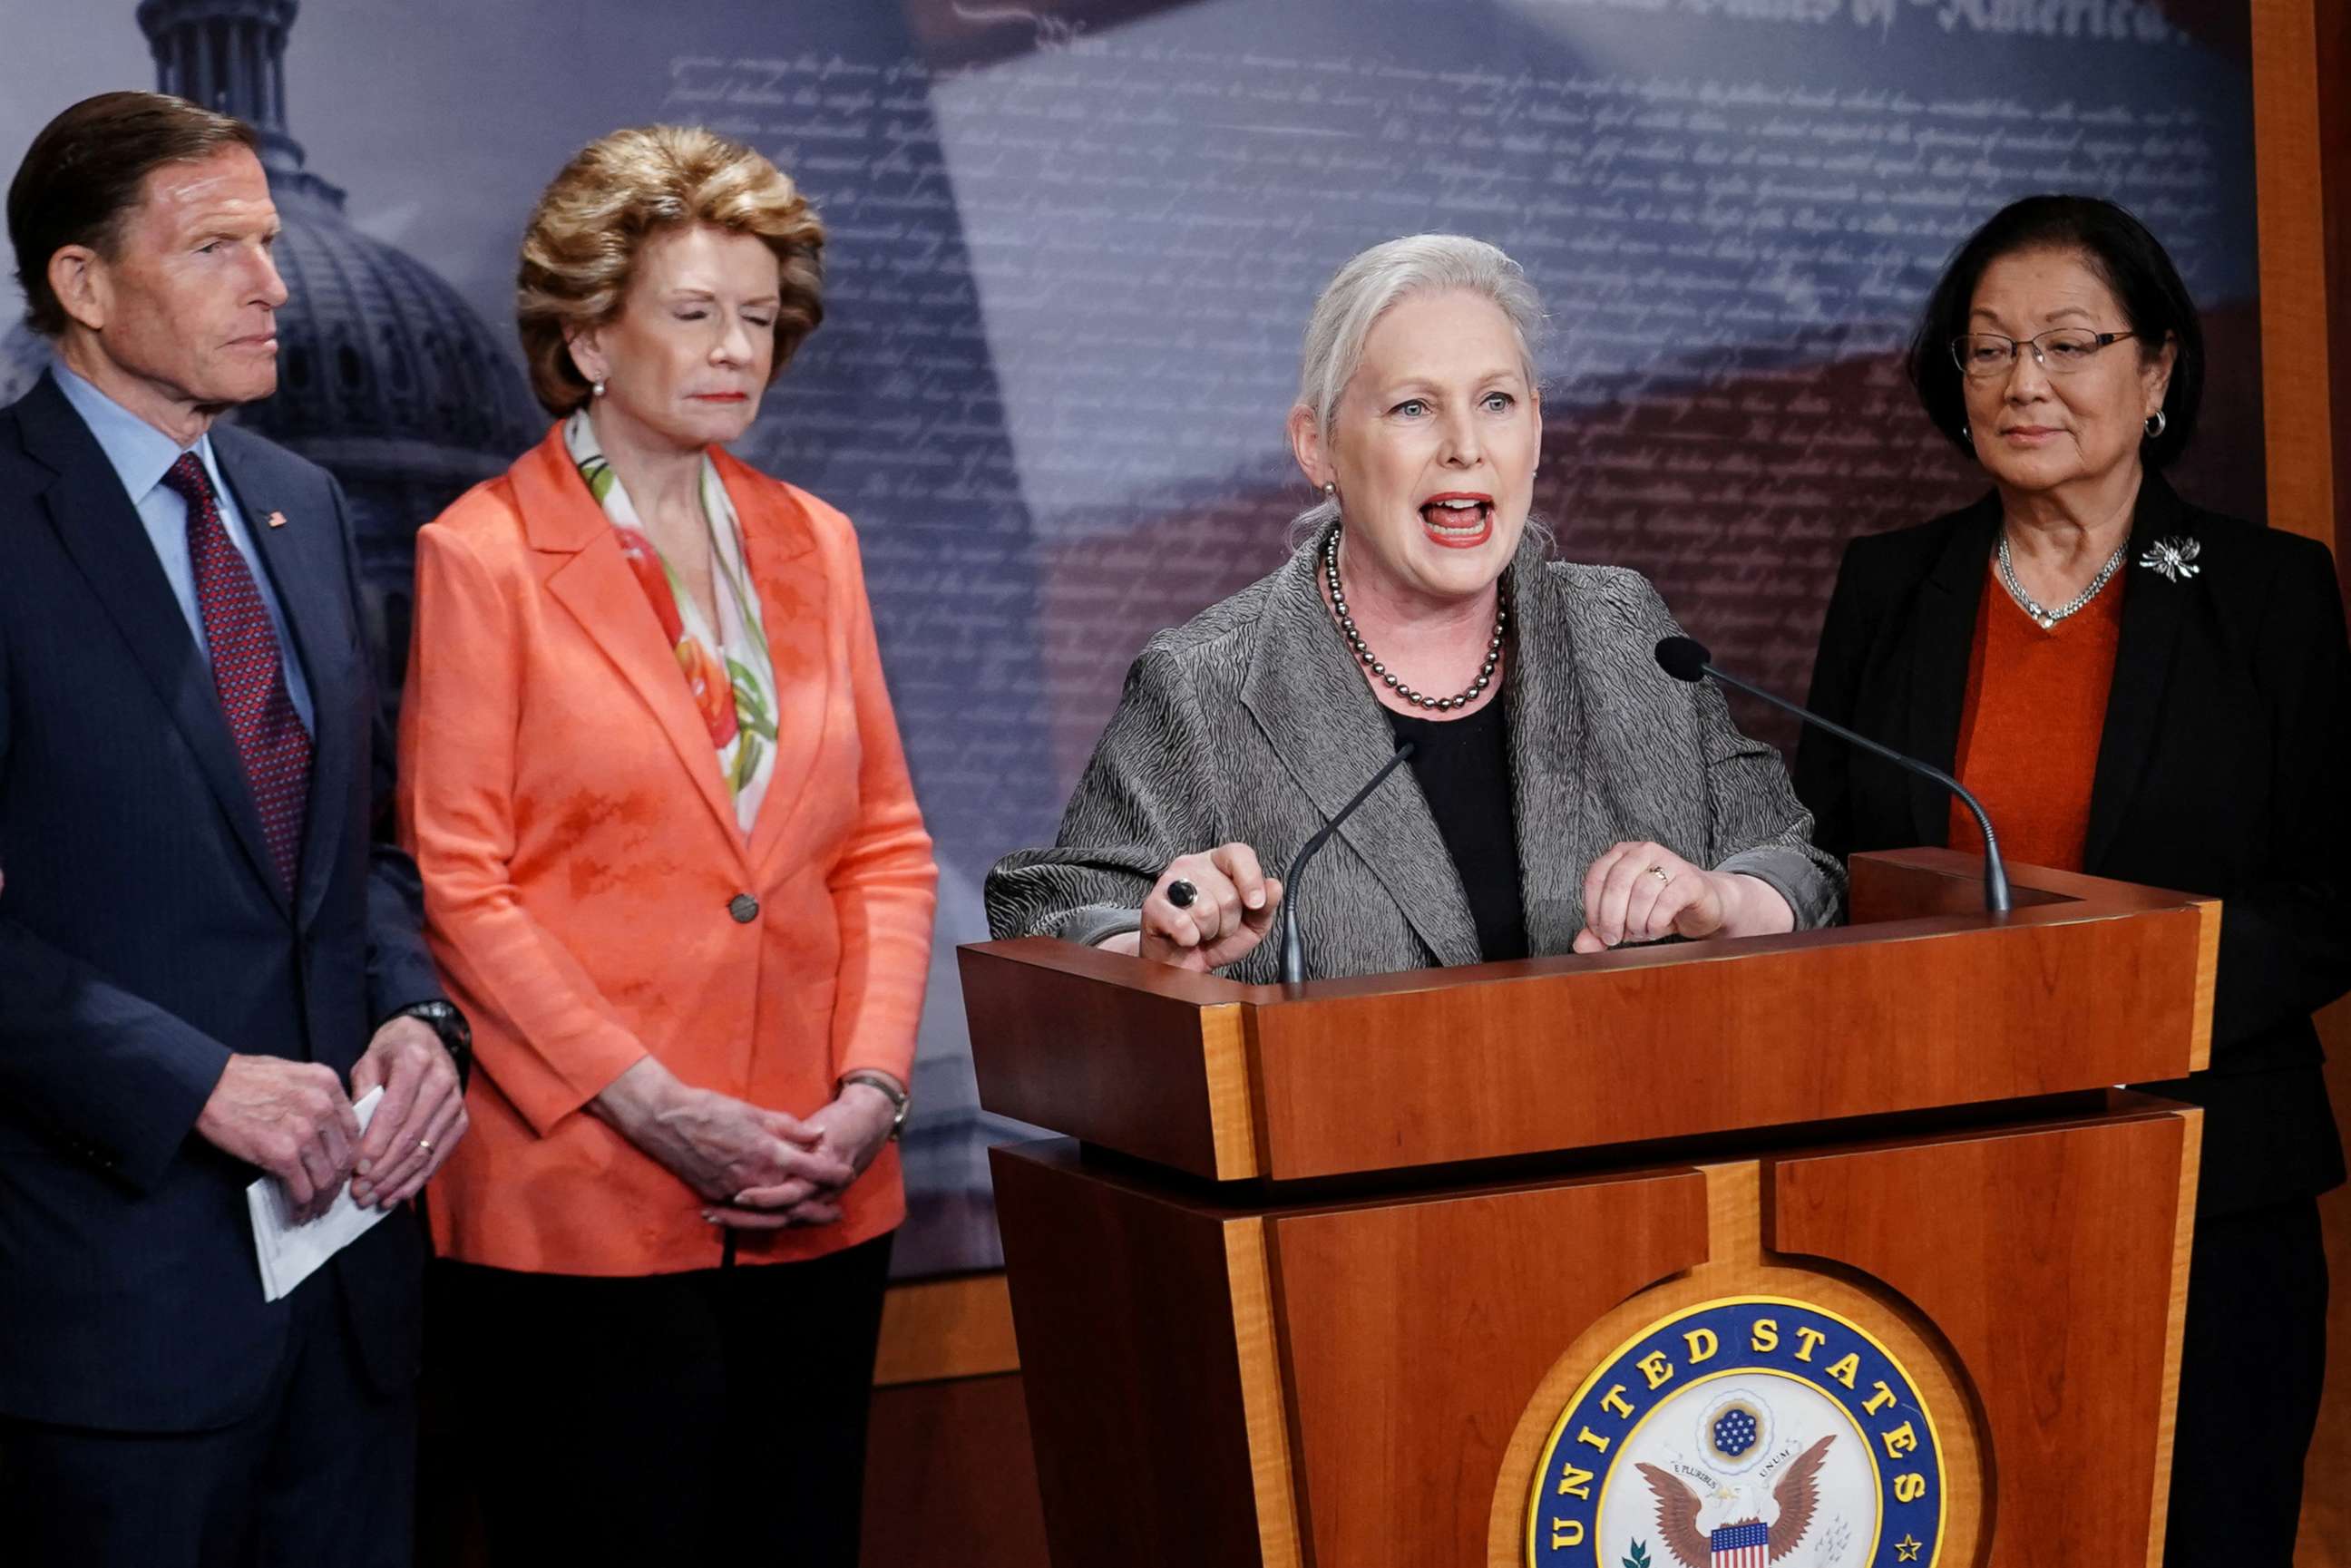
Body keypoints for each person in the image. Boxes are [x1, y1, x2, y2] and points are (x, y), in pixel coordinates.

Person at [399, 124, 936, 1564]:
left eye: (758, 318)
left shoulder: (815, 538)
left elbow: (883, 842)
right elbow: (461, 883)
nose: (736, 350)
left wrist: (874, 1090)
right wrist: (653, 1107)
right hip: (586, 1199)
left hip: (820, 1184)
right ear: (586, 335)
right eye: (694, 314)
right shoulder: (483, 553)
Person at [1794, 194, 2348, 1564]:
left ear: (2154, 369)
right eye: (1987, 351)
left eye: (2064, 343)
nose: (2023, 382)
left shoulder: (2265, 593)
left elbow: (2336, 892)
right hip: (1931, 1173)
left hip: (2204, 1186)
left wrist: (2122, 1000)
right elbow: (1821, 852)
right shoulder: (1892, 585)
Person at [0, 92, 469, 1566]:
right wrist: (197, 1079)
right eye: (218, 248)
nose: (275, 283)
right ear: (80, 285)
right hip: (109, 1323)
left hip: (354, 1308)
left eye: (269, 242)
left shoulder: (300, 502)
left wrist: (420, 1017)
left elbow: (363, 853)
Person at [986, 234, 1840, 979]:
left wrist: (1721, 902)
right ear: (1316, 446)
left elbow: (1802, 869)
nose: (1465, 448)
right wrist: (1150, 948)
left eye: (1496, 403)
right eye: (1413, 408)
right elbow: (1051, 911)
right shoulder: (1207, 685)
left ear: (1536, 431)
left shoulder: (1626, 634)